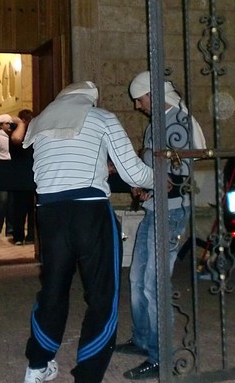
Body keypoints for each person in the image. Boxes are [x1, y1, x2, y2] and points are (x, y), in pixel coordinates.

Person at [21, 81, 154, 383]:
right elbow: (133, 170)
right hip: (90, 211)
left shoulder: (41, 122)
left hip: (50, 214)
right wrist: (157, 177)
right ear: (90, 100)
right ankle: (88, 376)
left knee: (52, 291)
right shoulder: (100, 118)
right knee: (102, 296)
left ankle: (37, 366)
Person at [116, 70, 206, 380]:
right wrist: (142, 187)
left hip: (172, 213)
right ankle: (142, 340)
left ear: (151, 95)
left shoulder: (182, 122)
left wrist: (157, 184)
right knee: (137, 277)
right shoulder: (155, 125)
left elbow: (182, 175)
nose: (137, 106)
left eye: (139, 99)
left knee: (154, 285)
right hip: (154, 209)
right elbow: (151, 169)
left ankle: (161, 357)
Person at [9, 109, 35, 245]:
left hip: (33, 176)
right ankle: (18, 236)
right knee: (19, 208)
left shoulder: (34, 135)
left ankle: (32, 236)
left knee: (33, 209)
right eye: (27, 120)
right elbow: (16, 140)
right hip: (19, 177)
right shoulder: (16, 133)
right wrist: (20, 124)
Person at [0, 113, 14, 240]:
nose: (9, 125)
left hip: (11, 170)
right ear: (0, 125)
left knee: (11, 201)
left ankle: (10, 228)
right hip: (1, 170)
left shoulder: (12, 138)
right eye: (7, 123)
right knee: (2, 200)